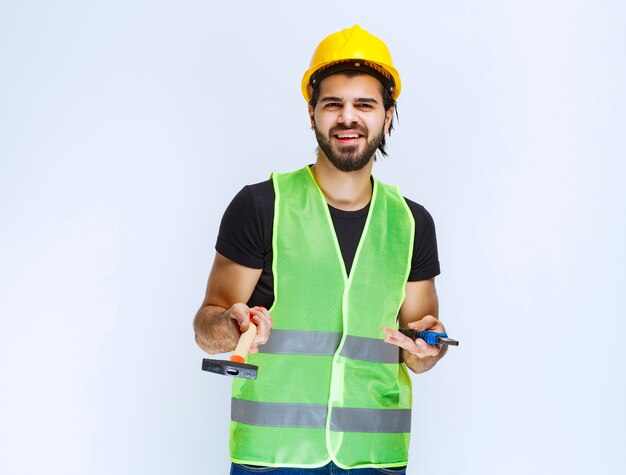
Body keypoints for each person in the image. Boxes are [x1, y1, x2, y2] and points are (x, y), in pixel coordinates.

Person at [194, 24, 448, 475]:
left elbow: (417, 350)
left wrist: (429, 345)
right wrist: (232, 325)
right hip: (272, 460)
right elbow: (206, 326)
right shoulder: (261, 205)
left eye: (364, 105)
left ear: (388, 115)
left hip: (375, 459)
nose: (348, 118)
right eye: (333, 104)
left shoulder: (411, 222)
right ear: (312, 114)